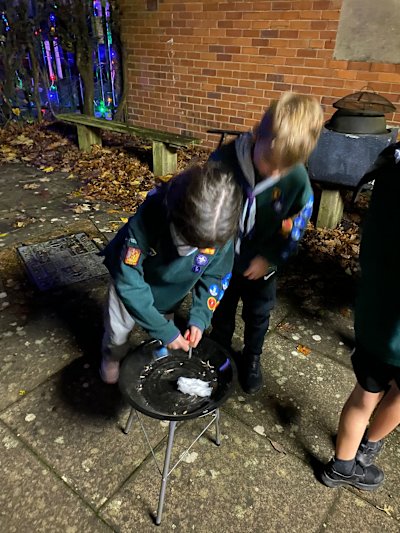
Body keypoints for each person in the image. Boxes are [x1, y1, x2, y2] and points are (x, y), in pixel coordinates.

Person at [209, 92, 324, 394]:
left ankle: (252, 357)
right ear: (257, 134)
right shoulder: (224, 161)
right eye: (270, 162)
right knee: (219, 306)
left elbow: (295, 227)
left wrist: (269, 258)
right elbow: (206, 205)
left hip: (262, 265)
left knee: (258, 313)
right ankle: (218, 348)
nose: (274, 172)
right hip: (223, 259)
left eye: (283, 168)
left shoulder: (296, 180)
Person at [99, 162, 242, 384]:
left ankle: (161, 348)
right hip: (131, 285)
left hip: (171, 290)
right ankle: (112, 356)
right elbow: (128, 280)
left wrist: (200, 317)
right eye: (190, 242)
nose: (195, 251)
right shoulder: (152, 214)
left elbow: (216, 276)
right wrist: (163, 329)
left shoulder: (220, 230)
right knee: (118, 331)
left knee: (166, 326)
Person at [321, 142, 400, 490]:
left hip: (374, 315)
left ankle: (340, 467)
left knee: (363, 394)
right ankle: (367, 449)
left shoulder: (391, 170)